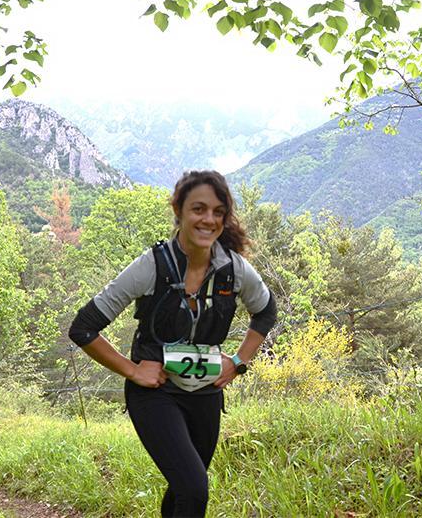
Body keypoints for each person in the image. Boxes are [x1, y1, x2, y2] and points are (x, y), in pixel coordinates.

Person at [69, 170, 277, 518]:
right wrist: (132, 370)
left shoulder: (235, 270)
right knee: (195, 489)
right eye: (198, 209)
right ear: (178, 211)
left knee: (184, 489)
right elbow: (84, 328)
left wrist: (239, 362)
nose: (208, 219)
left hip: (206, 394)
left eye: (217, 212)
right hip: (156, 394)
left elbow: (266, 313)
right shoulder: (152, 266)